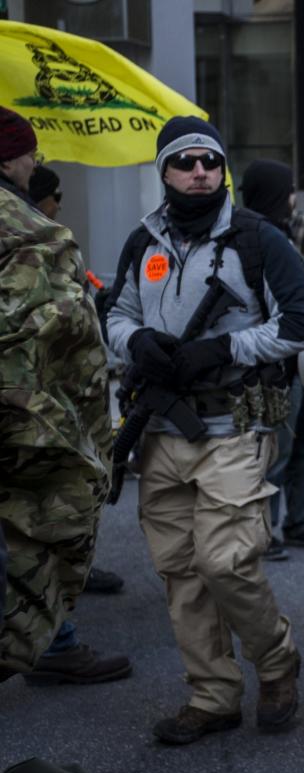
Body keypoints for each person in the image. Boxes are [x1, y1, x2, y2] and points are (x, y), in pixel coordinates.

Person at [106, 116, 304, 744]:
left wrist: (226, 349)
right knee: (180, 569)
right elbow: (115, 313)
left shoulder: (257, 238)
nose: (199, 171)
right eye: (184, 161)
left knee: (225, 562)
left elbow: (302, 322)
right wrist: (136, 340)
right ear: (163, 172)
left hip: (233, 426)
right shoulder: (142, 242)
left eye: (210, 160)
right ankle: (213, 693)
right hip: (162, 429)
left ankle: (277, 660)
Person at [0, 107, 127, 686]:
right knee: (33, 542)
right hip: (27, 432)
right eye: (31, 154)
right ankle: (47, 643)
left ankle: (54, 642)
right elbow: (51, 350)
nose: (36, 166)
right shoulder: (28, 234)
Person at [240, 159, 304, 557]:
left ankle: (299, 521)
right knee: (273, 452)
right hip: (272, 367)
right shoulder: (246, 238)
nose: (293, 198)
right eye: (288, 190)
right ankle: (263, 530)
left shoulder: (286, 232)